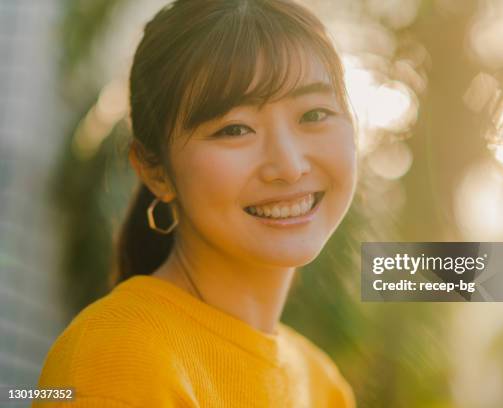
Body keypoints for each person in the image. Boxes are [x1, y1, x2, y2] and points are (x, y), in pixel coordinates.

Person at [34, 0, 357, 406]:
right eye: (235, 128)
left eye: (313, 115)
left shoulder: (324, 386)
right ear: (156, 171)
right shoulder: (118, 357)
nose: (289, 167)